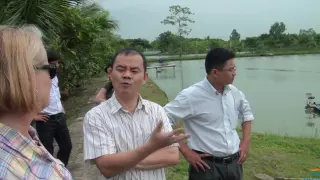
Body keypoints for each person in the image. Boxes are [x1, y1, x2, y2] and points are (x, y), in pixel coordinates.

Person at [83, 48, 189, 180]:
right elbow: (107, 167)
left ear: (145, 78)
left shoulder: (156, 111)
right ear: (110, 73)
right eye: (121, 69)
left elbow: (172, 156)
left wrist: (124, 161)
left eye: (134, 71)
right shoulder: (95, 116)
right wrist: (151, 147)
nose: (127, 75)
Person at [164, 48, 254, 180]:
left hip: (234, 164)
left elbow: (246, 113)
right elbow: (162, 118)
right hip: (206, 168)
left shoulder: (234, 92)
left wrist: (246, 141)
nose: (235, 73)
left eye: (234, 68)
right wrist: (185, 150)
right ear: (215, 72)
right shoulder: (191, 96)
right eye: (231, 70)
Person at [0, 25, 72, 179]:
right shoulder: (10, 170)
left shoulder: (25, 136)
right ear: (25, 75)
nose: (51, 76)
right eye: (49, 69)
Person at [34, 50, 72, 167]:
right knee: (47, 150)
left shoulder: (55, 76)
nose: (57, 66)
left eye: (57, 63)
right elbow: (26, 96)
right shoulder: (37, 78)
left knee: (67, 146)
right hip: (45, 120)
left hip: (59, 116)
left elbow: (56, 96)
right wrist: (33, 115)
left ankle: (61, 168)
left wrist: (62, 110)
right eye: (54, 63)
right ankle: (49, 173)